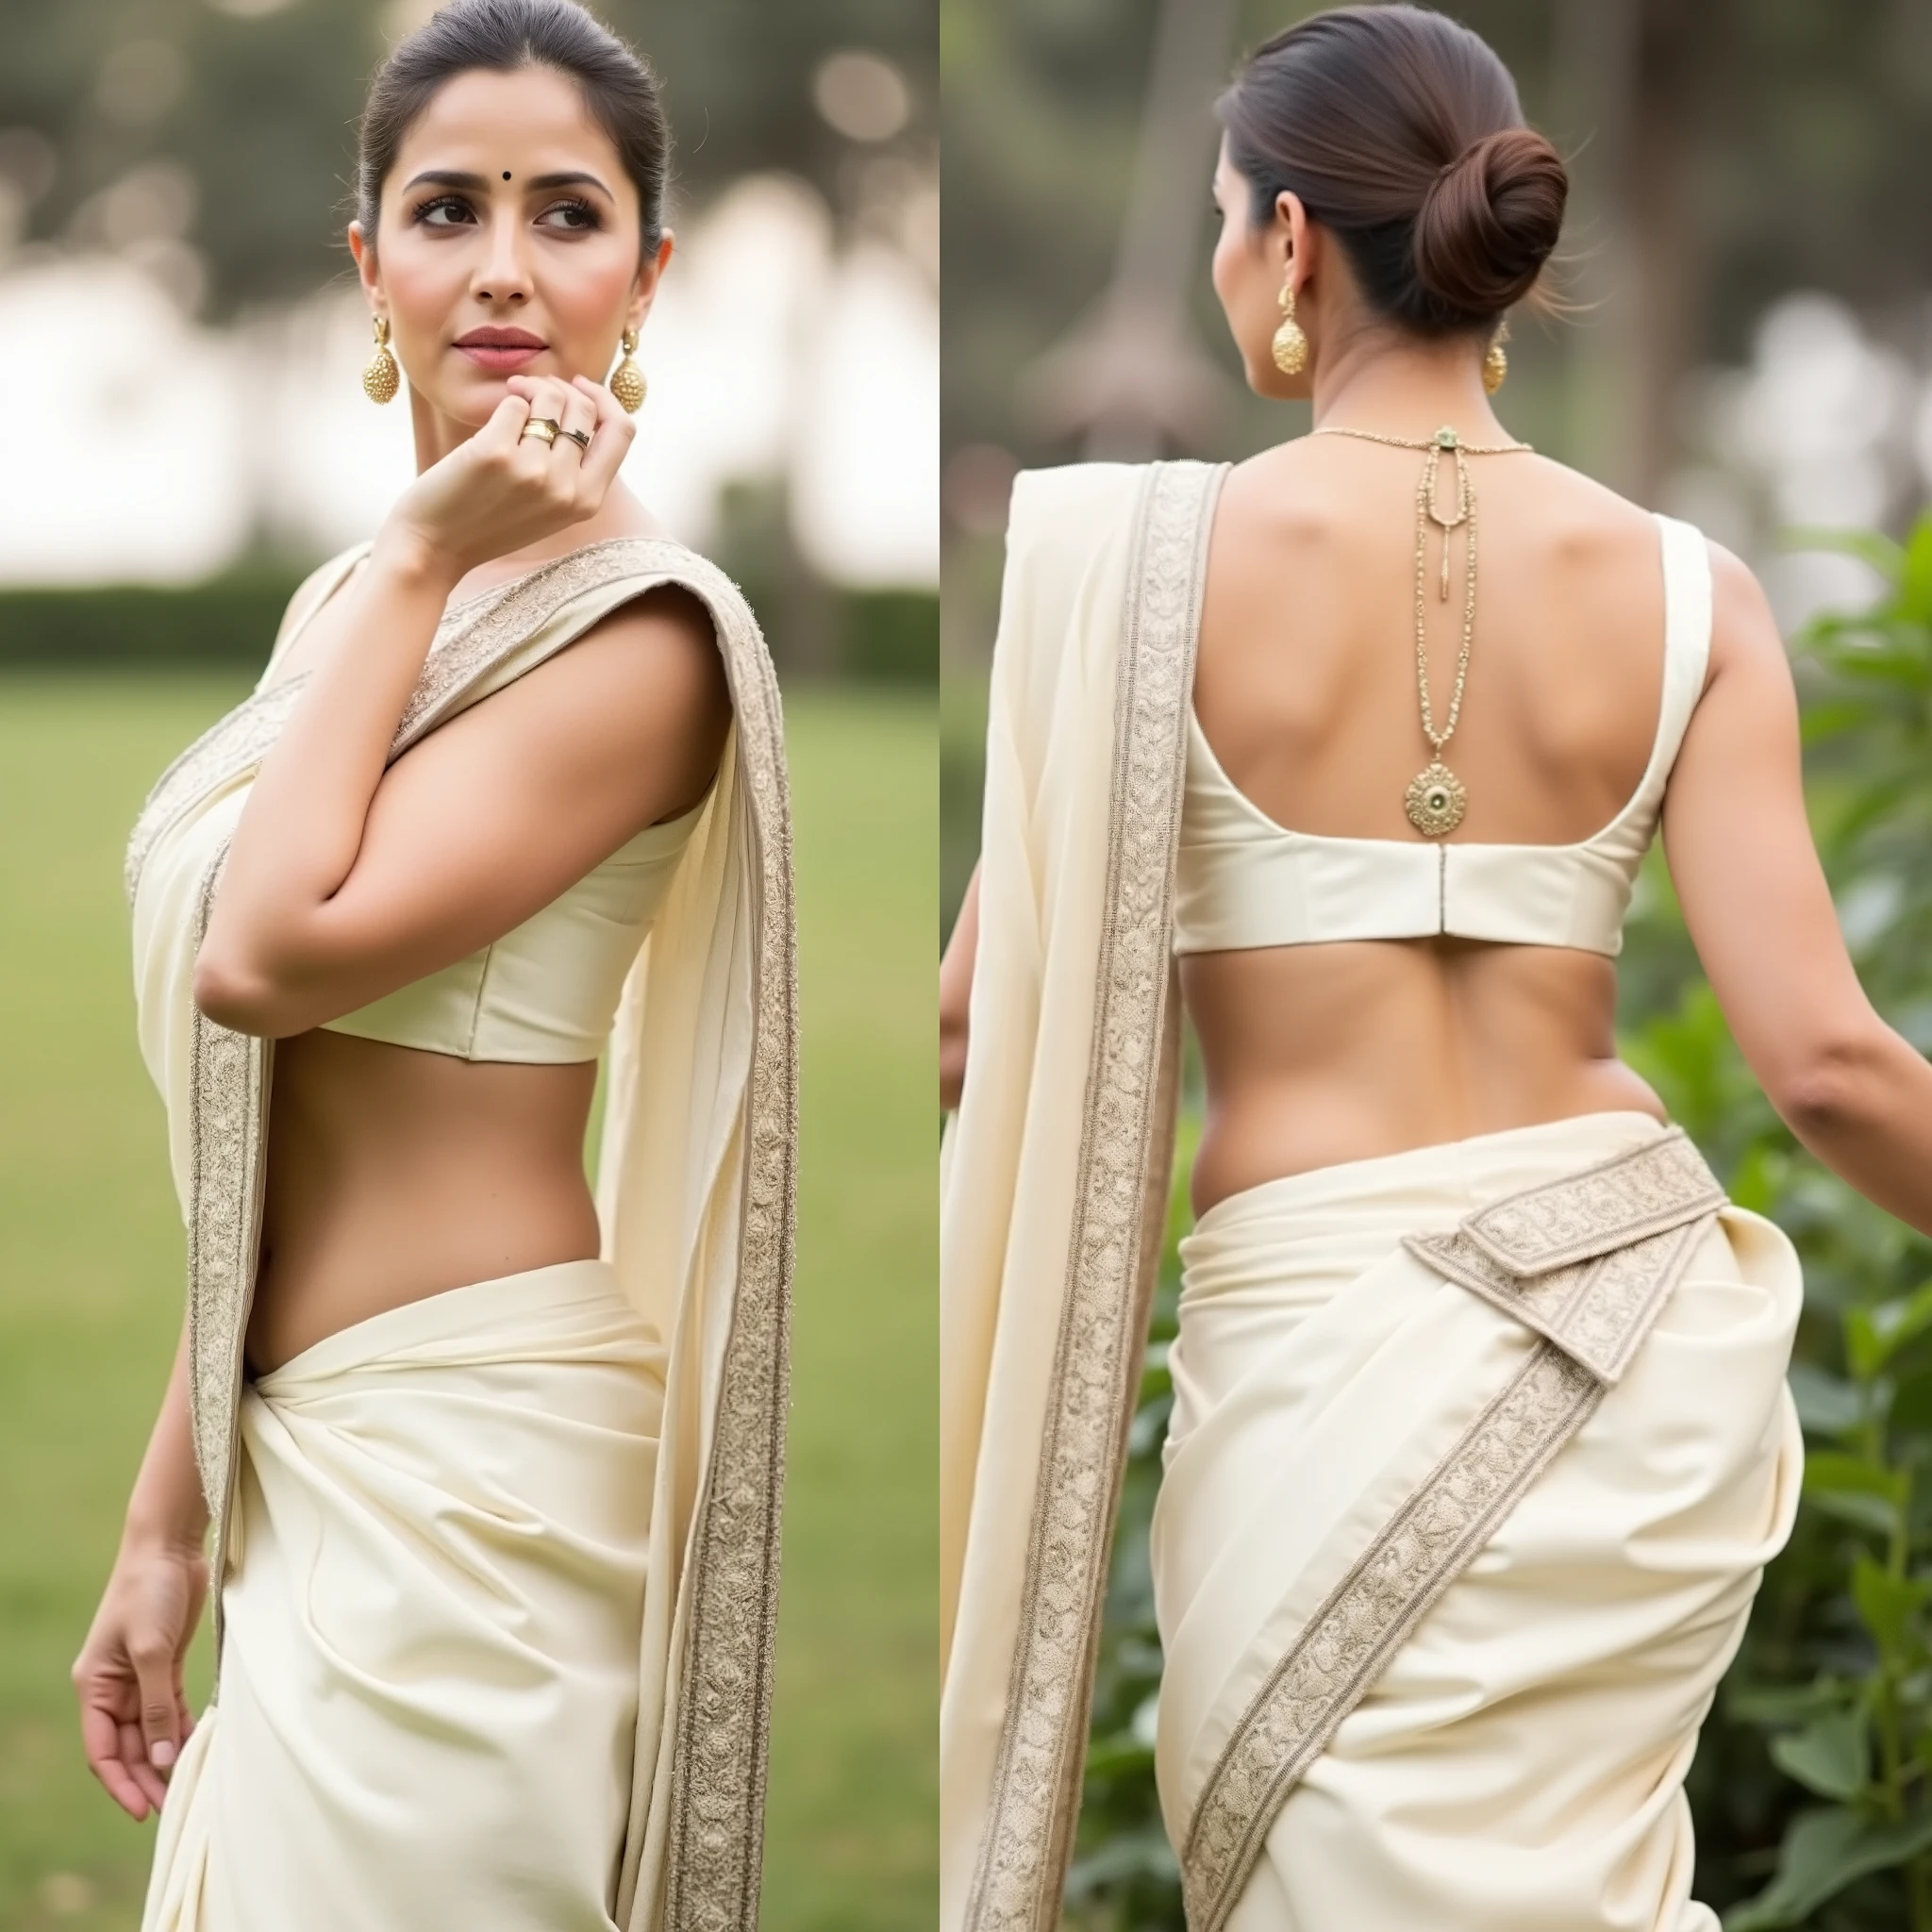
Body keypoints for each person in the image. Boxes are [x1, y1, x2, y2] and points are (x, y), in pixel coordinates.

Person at [939, 8, 1932, 1929]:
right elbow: (1822, 1063)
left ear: (1288, 242)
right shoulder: (1687, 589)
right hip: (1630, 1352)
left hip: (1315, 1363)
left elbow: (984, 1016)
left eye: (1232, 221)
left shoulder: (1128, 568)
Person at [72, 5, 795, 1928]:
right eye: (444, 207)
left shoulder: (642, 641)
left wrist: (409, 560)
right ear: (366, 258)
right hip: (297, 1458)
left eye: (565, 214)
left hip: (476, 1486)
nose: (498, 266)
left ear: (646, 274)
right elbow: (268, 1120)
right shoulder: (353, 600)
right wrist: (170, 1517)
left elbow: (265, 961)